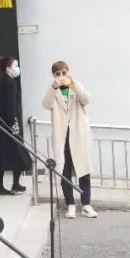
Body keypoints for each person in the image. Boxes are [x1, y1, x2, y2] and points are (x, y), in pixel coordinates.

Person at [42, 60, 97, 218]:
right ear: (53, 75)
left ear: (68, 72)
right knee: (64, 172)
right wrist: (53, 87)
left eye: (64, 72)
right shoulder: (53, 91)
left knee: (83, 170)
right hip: (62, 137)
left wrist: (74, 84)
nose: (61, 76)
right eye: (57, 74)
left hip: (78, 135)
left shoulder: (75, 87)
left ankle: (86, 205)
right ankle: (70, 205)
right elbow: (46, 104)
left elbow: (86, 99)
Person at [0, 55, 31, 196]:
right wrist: (14, 124)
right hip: (9, 124)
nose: (18, 69)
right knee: (19, 154)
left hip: (0, 124)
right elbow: (11, 106)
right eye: (15, 66)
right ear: (8, 69)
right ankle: (14, 184)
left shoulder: (3, 81)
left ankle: (0, 186)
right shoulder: (10, 82)